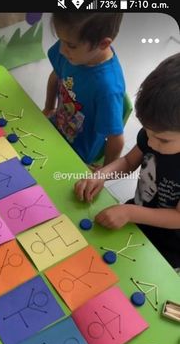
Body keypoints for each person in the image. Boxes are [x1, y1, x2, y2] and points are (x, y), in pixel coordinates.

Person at [74, 53, 180, 269]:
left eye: (162, 139)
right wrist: (102, 175)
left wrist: (130, 213)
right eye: (147, 132)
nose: (150, 142)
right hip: (136, 217)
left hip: (171, 245)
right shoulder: (156, 133)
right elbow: (129, 162)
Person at [43, 13, 125, 165]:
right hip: (55, 127)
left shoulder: (107, 89)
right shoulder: (71, 49)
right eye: (60, 40)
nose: (61, 50)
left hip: (76, 154)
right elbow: (56, 76)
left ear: (103, 44)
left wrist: (103, 175)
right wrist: (48, 108)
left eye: (70, 45)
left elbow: (116, 140)